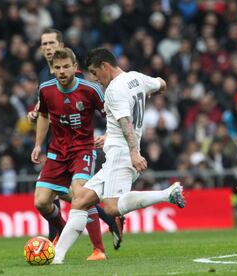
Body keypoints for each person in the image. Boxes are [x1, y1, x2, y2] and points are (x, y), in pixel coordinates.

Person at [52, 48, 185, 264]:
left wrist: (134, 153)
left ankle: (167, 194)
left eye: (95, 73)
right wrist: (110, 135)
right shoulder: (136, 78)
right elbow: (161, 83)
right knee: (80, 200)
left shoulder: (114, 90)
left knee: (111, 207)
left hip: (121, 155)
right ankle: (57, 258)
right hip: (117, 150)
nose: (95, 79)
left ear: (105, 66)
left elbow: (126, 123)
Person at [28, 28, 123, 251]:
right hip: (57, 151)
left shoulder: (89, 89)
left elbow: (110, 113)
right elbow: (44, 114)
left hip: (82, 150)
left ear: (74, 68)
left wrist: (108, 135)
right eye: (44, 44)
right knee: (42, 202)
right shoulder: (45, 85)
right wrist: (37, 144)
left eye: (52, 43)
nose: (61, 71)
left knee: (79, 194)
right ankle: (65, 229)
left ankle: (98, 249)